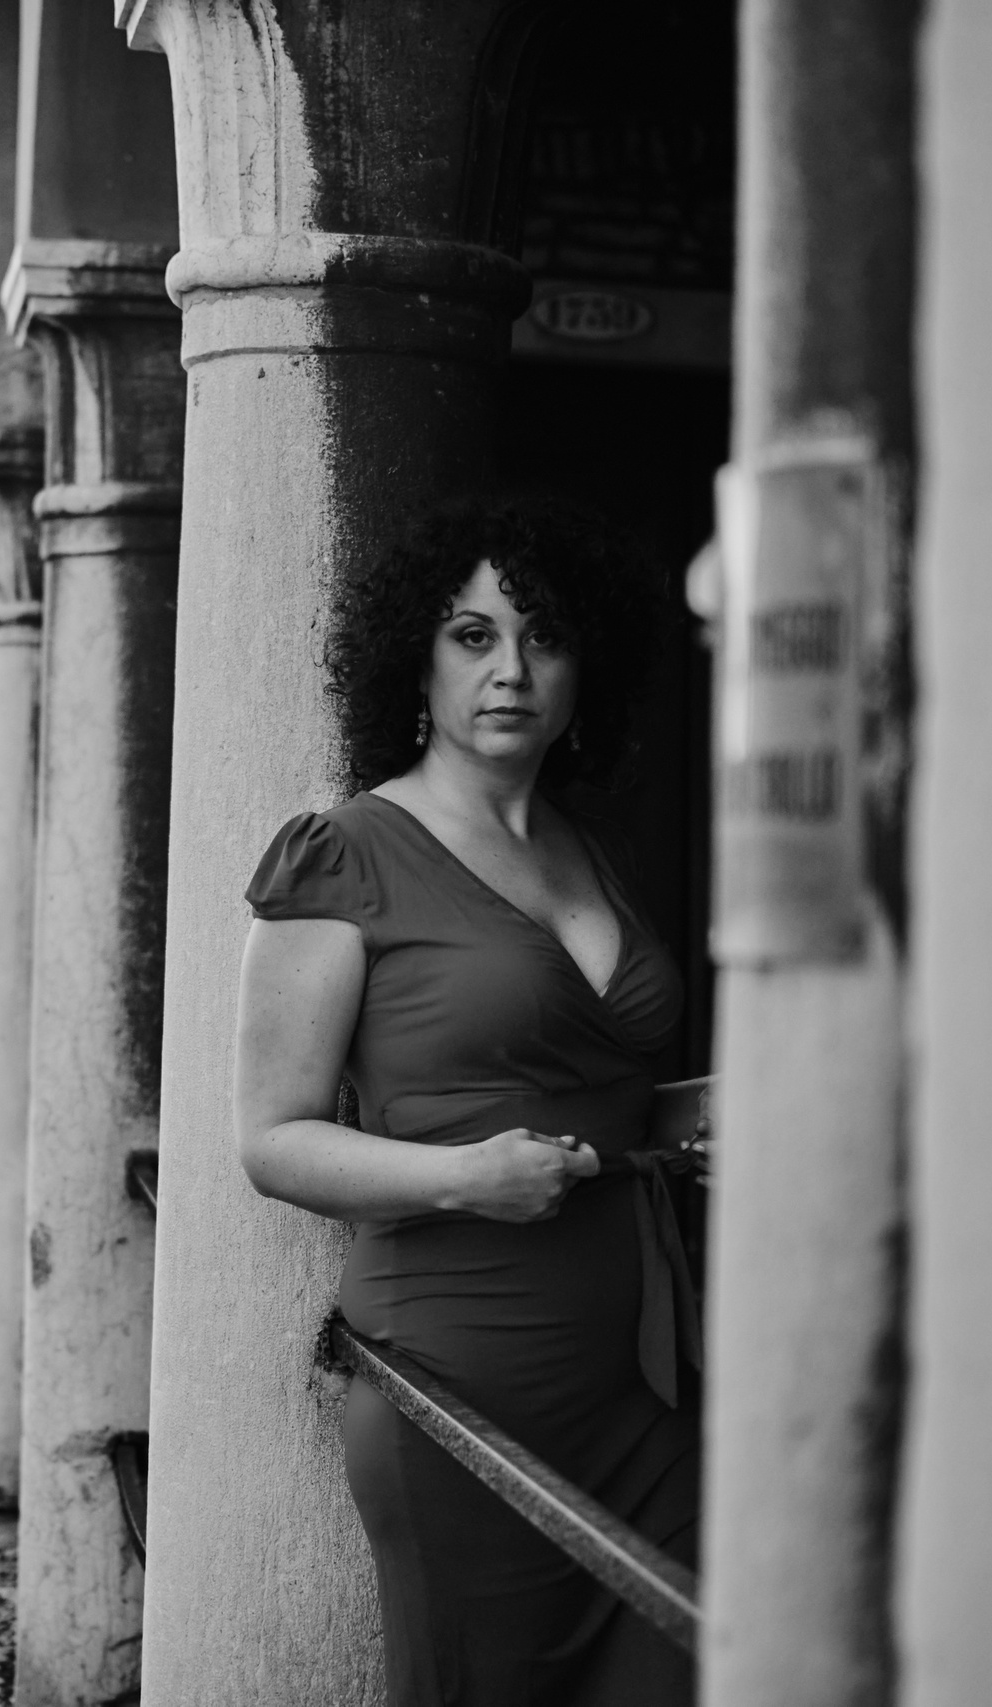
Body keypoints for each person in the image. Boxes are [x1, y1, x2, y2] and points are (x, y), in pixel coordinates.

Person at [234, 495, 699, 1705]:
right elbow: (271, 1142)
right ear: (417, 660)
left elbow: (609, 1087)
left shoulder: (594, 853)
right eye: (472, 636)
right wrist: (462, 1178)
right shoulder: (345, 853)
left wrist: (712, 1111)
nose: (510, 670)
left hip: (639, 1388)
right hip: (459, 1387)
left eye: (542, 639)